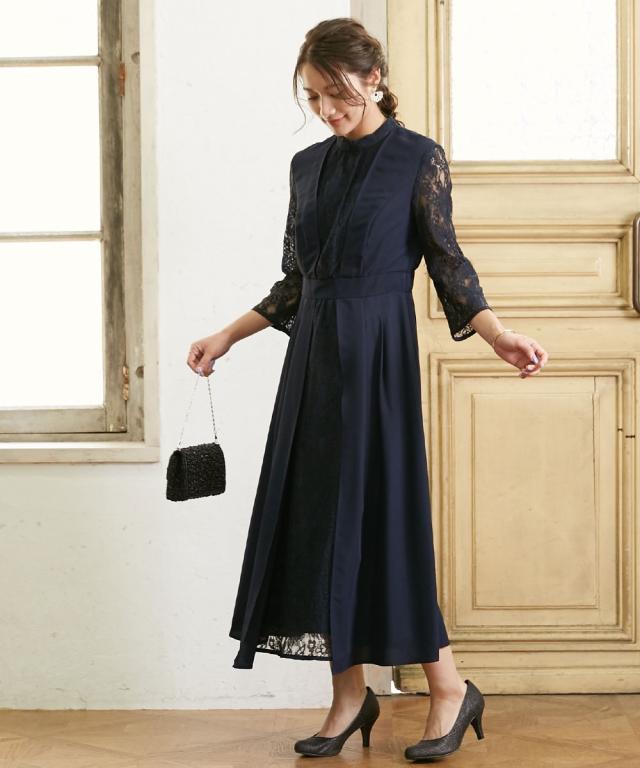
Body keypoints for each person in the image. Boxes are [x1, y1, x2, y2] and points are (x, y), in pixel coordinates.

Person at [187, 16, 548, 762]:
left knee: (385, 524)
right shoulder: (306, 167)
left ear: (374, 79)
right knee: (318, 523)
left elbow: (448, 263)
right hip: (313, 365)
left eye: (339, 94)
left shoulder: (417, 158)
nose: (327, 111)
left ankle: (448, 687)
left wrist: (497, 334)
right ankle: (349, 698)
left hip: (379, 362)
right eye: (315, 97)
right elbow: (297, 281)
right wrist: (227, 335)